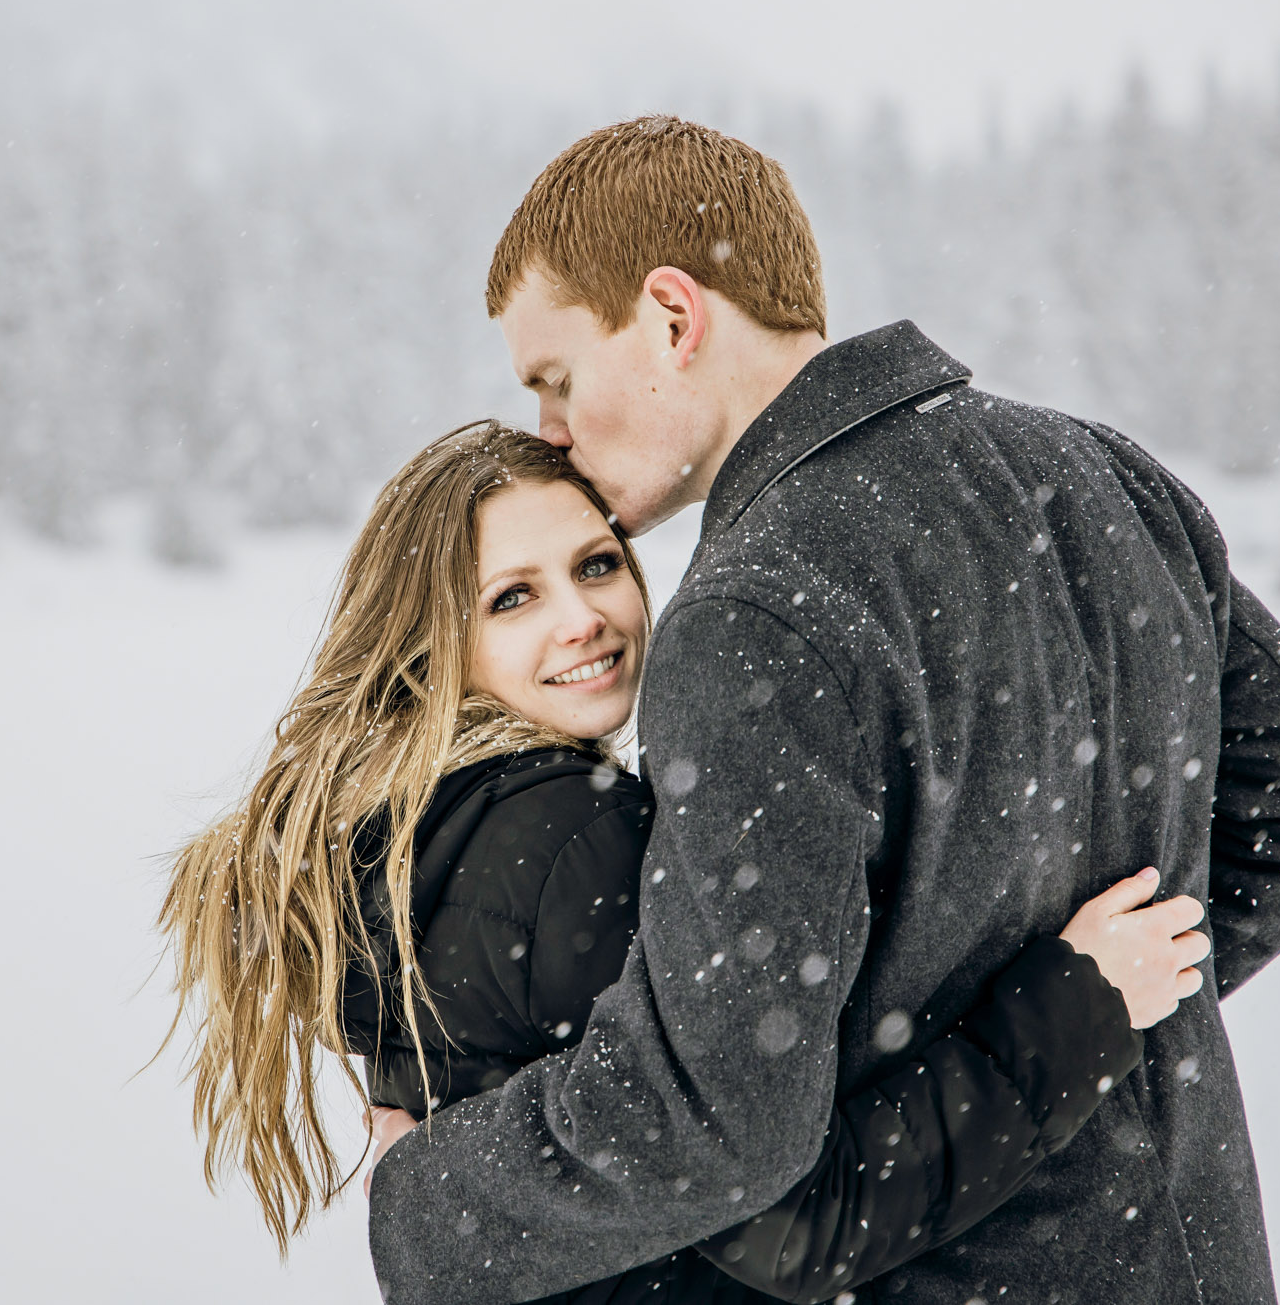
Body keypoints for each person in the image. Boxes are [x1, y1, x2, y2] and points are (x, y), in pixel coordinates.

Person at [362, 118, 1280, 1305]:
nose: (548, 427)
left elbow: (717, 1120)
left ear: (669, 314)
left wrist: (429, 1199)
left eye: (555, 379)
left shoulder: (752, 611)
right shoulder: (1099, 470)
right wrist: (1109, 999)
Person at [158, 420, 1211, 1302]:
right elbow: (794, 1218)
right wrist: (1077, 1008)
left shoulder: (407, 832)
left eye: (596, 563)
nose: (584, 619)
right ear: (430, 639)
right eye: (511, 597)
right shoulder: (573, 834)